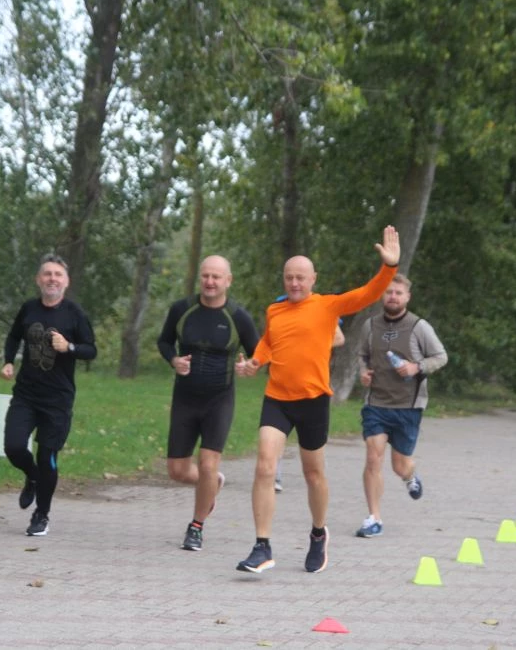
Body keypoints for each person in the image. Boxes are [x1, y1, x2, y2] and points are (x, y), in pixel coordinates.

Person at [234, 225, 400, 574]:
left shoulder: (328, 306)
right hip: (277, 398)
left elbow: (369, 293)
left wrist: (389, 268)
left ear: (313, 279)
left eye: (300, 278)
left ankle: (318, 533)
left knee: (314, 475)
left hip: (312, 403)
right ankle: (262, 546)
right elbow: (268, 342)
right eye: (289, 277)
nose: (294, 283)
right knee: (265, 466)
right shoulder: (274, 311)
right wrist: (255, 362)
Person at [157, 255, 260, 552]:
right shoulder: (182, 309)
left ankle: (196, 527)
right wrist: (174, 360)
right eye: (206, 276)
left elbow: (258, 354)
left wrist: (249, 367)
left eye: (216, 277)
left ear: (228, 280)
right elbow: (164, 342)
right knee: (177, 470)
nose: (210, 282)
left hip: (219, 398)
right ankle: (212, 483)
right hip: (185, 398)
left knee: (207, 464)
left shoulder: (238, 316)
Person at [0, 253, 97, 536]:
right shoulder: (29, 309)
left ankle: (41, 515)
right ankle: (32, 477)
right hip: (26, 394)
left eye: (58, 275)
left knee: (47, 458)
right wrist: (8, 360)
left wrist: (70, 347)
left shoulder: (74, 314)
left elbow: (91, 349)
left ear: (66, 282)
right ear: (38, 280)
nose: (52, 279)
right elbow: (14, 336)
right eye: (47, 274)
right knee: (14, 447)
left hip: (58, 399)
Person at [354, 274, 447, 538]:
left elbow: (441, 356)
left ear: (407, 297)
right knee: (373, 457)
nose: (392, 297)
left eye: (398, 293)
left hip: (408, 406)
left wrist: (416, 367)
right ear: (382, 296)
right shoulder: (370, 326)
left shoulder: (419, 327)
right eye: (388, 292)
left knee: (399, 466)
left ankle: (410, 476)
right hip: (376, 403)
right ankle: (374, 518)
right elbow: (362, 355)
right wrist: (363, 373)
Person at [274, 324, 345, 493]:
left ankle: (317, 463)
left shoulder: (320, 309)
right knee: (275, 435)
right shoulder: (279, 305)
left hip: (314, 383)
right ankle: (275, 474)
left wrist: (310, 344)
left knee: (312, 441)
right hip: (284, 383)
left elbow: (339, 338)